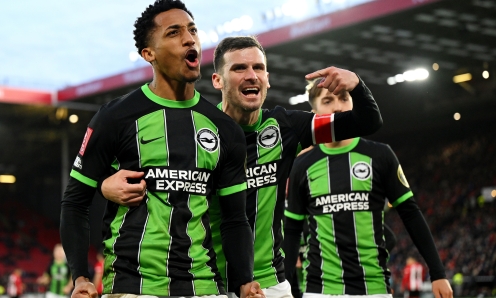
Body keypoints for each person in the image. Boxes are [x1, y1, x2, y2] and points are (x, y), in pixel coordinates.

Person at [100, 35, 383, 298]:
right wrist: (105, 184)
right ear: (217, 80)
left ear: (267, 79)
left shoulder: (288, 127)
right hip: (208, 284)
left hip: (269, 283)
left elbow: (367, 122)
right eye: (239, 68)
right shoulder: (196, 128)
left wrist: (356, 84)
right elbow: (154, 180)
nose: (251, 75)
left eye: (258, 68)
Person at [60, 1, 262, 298]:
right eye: (174, 32)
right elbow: (75, 202)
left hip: (203, 286)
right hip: (132, 285)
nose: (190, 38)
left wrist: (244, 280)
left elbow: (234, 218)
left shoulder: (225, 129)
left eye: (193, 30)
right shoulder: (115, 117)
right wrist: (80, 276)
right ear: (148, 54)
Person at [283, 80, 453, 298]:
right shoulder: (302, 165)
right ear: (314, 112)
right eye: (328, 100)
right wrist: (288, 286)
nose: (338, 107)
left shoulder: (380, 156)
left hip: (374, 289)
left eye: (344, 98)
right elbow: (292, 232)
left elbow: (410, 214)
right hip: (320, 290)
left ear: (353, 104)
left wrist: (438, 272)